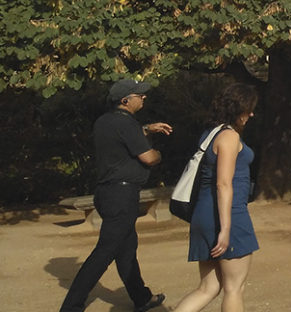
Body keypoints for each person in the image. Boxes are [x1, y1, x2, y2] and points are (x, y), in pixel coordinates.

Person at [60, 78, 173, 312]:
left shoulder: (105, 122)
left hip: (107, 193)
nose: (143, 97)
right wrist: (158, 153)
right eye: (138, 95)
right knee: (105, 251)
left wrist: (146, 128)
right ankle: (71, 307)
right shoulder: (127, 124)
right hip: (122, 195)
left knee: (127, 249)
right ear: (125, 100)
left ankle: (141, 298)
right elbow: (149, 158)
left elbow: (123, 136)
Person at [170, 83, 260, 312]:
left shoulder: (211, 133)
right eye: (248, 109)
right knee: (234, 288)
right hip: (228, 216)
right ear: (237, 107)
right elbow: (223, 184)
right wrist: (226, 229)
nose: (251, 114)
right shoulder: (229, 136)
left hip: (203, 215)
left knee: (208, 288)